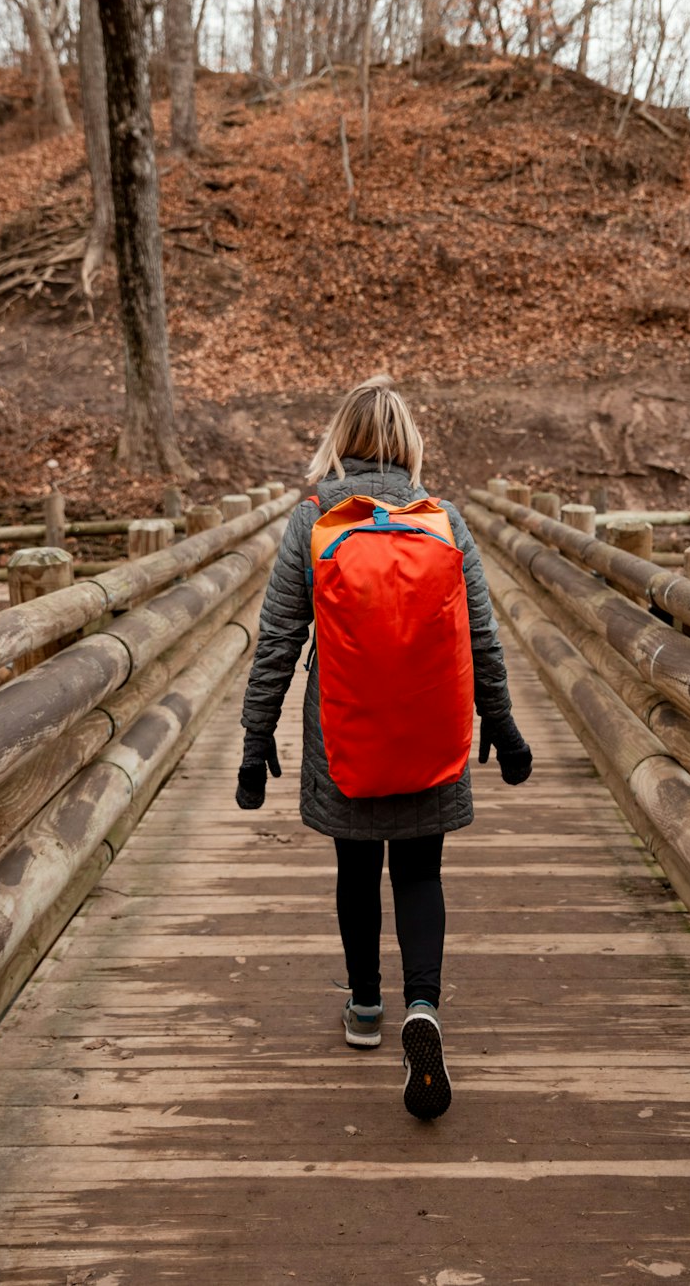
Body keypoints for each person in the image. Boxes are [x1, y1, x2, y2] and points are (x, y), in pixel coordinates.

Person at [235, 375, 532, 1120]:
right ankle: (422, 1006)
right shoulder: (444, 522)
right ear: (408, 444)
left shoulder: (315, 520)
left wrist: (254, 737)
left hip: (346, 731)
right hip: (431, 729)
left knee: (357, 868)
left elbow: (277, 638)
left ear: (341, 440)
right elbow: (484, 641)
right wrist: (502, 725)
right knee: (421, 872)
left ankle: (366, 1008)